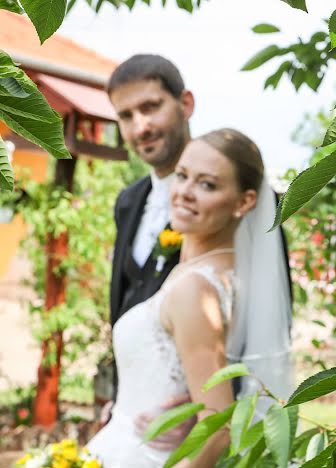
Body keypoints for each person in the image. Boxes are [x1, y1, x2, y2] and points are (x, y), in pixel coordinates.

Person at [0, 129, 322, 468]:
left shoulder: (196, 289)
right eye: (184, 176)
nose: (186, 191)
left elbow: (217, 427)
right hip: (136, 455)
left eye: (208, 184)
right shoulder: (219, 271)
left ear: (244, 201)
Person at [103, 54, 291, 446]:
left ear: (185, 104)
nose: (141, 126)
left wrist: (203, 406)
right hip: (133, 419)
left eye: (151, 107)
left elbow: (265, 326)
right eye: (126, 115)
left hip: (198, 432)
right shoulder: (127, 202)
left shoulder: (249, 208)